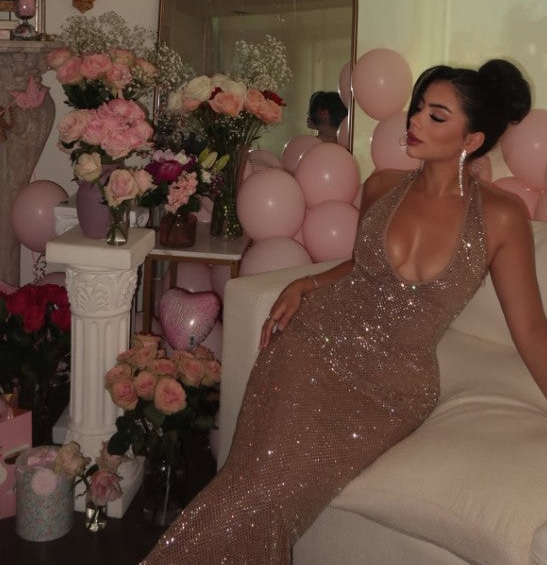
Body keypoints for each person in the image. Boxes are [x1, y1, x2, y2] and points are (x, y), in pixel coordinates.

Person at [143, 59, 547, 564]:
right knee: (256, 483)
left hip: (393, 389)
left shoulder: (502, 217)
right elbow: (363, 267)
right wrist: (307, 283)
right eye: (418, 107)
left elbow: (531, 329)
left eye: (436, 116)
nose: (415, 121)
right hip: (315, 344)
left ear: (472, 139)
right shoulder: (382, 185)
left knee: (273, 497)